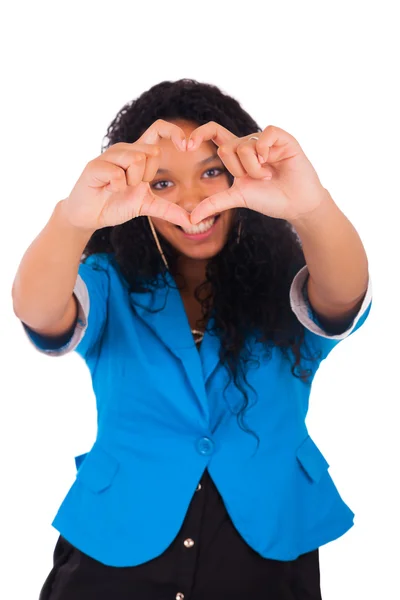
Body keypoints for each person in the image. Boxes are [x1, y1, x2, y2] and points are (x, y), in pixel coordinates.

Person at [12, 78, 372, 600]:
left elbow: (346, 295)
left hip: (265, 543)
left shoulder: (291, 275)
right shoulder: (108, 279)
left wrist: (309, 206)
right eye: (162, 184)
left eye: (211, 172)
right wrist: (74, 218)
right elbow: (38, 310)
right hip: (117, 546)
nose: (192, 200)